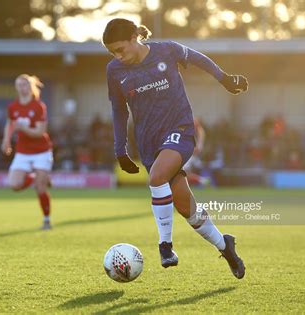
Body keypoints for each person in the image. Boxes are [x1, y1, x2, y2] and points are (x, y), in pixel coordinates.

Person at [103, 18, 248, 279]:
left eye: (120, 49)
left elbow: (198, 58)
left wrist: (224, 78)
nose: (117, 56)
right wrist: (120, 149)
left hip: (180, 129)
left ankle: (165, 245)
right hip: (149, 142)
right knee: (186, 209)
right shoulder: (114, 70)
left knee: (156, 177)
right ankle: (226, 246)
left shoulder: (166, 50)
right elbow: (117, 110)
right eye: (112, 52)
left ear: (135, 37)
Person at [1, 74, 54, 230]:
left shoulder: (39, 106)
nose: (21, 87)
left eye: (24, 84)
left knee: (41, 188)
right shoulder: (12, 107)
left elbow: (40, 131)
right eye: (18, 84)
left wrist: (22, 128)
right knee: (14, 185)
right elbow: (9, 124)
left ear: (30, 87)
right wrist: (6, 140)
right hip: (23, 152)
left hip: (41, 151)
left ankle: (46, 220)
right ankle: (32, 177)